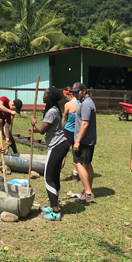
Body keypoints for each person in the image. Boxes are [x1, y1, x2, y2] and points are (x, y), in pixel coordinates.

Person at [29, 86, 69, 221]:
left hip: (57, 146)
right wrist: (36, 129)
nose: (43, 95)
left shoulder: (52, 111)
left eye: (45, 93)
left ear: (50, 96)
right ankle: (53, 206)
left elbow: (42, 130)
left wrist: (34, 124)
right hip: (61, 144)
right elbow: (49, 128)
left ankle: (55, 212)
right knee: (55, 176)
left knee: (48, 177)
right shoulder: (54, 109)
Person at [71, 82, 97, 204]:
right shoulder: (85, 102)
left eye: (77, 92)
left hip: (84, 141)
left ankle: (88, 193)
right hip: (88, 140)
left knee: (77, 162)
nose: (75, 94)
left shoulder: (86, 104)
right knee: (87, 164)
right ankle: (88, 190)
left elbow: (85, 124)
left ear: (84, 91)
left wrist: (77, 141)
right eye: (73, 92)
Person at [61, 86, 80, 181]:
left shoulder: (68, 105)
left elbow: (65, 119)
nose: (65, 98)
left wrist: (61, 128)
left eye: (65, 96)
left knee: (63, 153)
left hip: (68, 131)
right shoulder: (81, 104)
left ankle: (57, 172)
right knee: (75, 154)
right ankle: (75, 174)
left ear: (69, 94)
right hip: (77, 132)